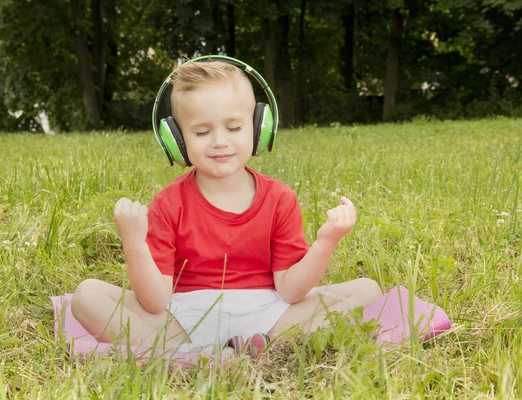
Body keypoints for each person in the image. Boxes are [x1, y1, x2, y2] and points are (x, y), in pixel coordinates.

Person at [71, 57, 383, 358]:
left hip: (271, 316)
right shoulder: (168, 203)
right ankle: (202, 353)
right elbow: (154, 303)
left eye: (234, 128)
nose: (220, 142)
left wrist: (326, 241)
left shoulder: (280, 198)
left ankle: (250, 347)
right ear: (176, 140)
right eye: (202, 132)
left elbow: (290, 292)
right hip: (183, 320)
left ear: (259, 128)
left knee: (367, 291)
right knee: (87, 296)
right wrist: (133, 242)